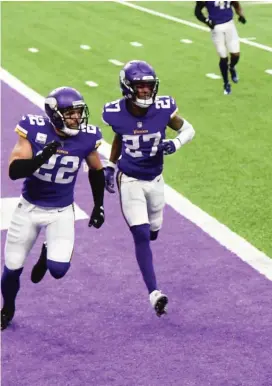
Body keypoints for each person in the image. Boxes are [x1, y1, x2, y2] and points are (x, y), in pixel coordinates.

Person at [2, 86, 105, 330]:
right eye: (70, 113)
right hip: (28, 208)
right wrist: (40, 158)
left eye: (79, 113)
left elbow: (96, 170)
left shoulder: (87, 137)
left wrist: (99, 205)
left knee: (58, 270)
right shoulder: (34, 129)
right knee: (12, 267)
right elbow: (14, 171)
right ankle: (7, 308)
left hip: (60, 211)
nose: (77, 118)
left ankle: (47, 251)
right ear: (55, 114)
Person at [103, 60, 196, 317]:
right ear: (127, 87)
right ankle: (154, 292)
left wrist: (175, 144)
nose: (145, 91)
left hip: (156, 180)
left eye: (148, 86)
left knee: (153, 231)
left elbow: (189, 129)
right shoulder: (115, 112)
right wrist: (111, 165)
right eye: (140, 86)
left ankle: (148, 248)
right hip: (130, 179)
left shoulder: (164, 108)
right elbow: (120, 136)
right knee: (142, 234)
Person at [195, 1, 246, 95]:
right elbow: (197, 12)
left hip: (230, 25)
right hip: (216, 28)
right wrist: (207, 22)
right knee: (223, 56)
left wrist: (240, 15)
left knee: (236, 54)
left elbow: (235, 3)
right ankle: (226, 83)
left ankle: (232, 67)